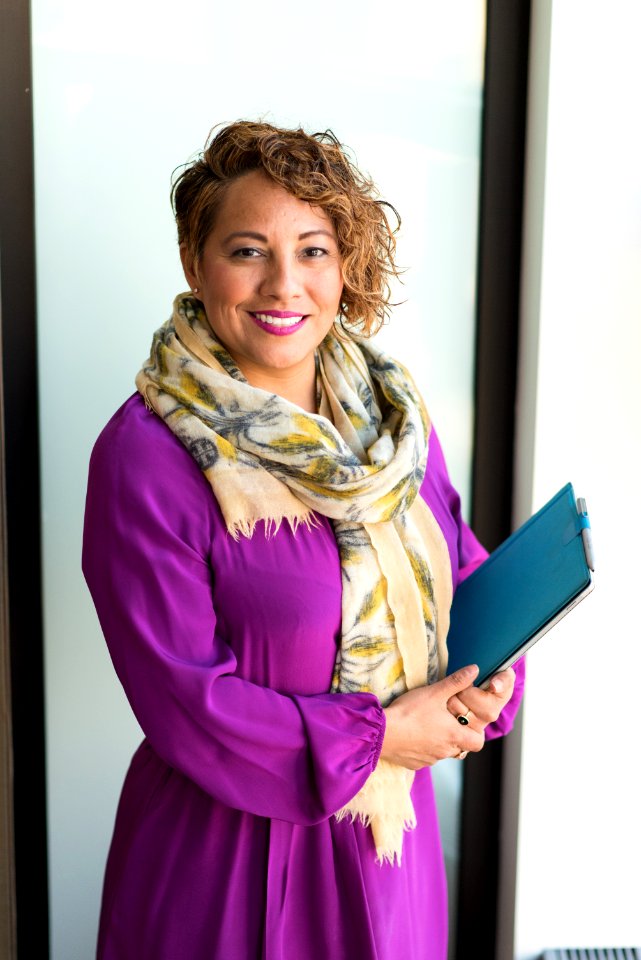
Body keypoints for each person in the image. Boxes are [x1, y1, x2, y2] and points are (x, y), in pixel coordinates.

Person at [83, 120, 525, 960]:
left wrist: (491, 674)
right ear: (194, 260)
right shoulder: (147, 455)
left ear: (344, 264)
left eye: (313, 250)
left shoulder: (392, 420)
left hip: (389, 844)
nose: (284, 284)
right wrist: (379, 737)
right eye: (247, 250)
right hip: (233, 857)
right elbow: (185, 701)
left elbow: (456, 575)